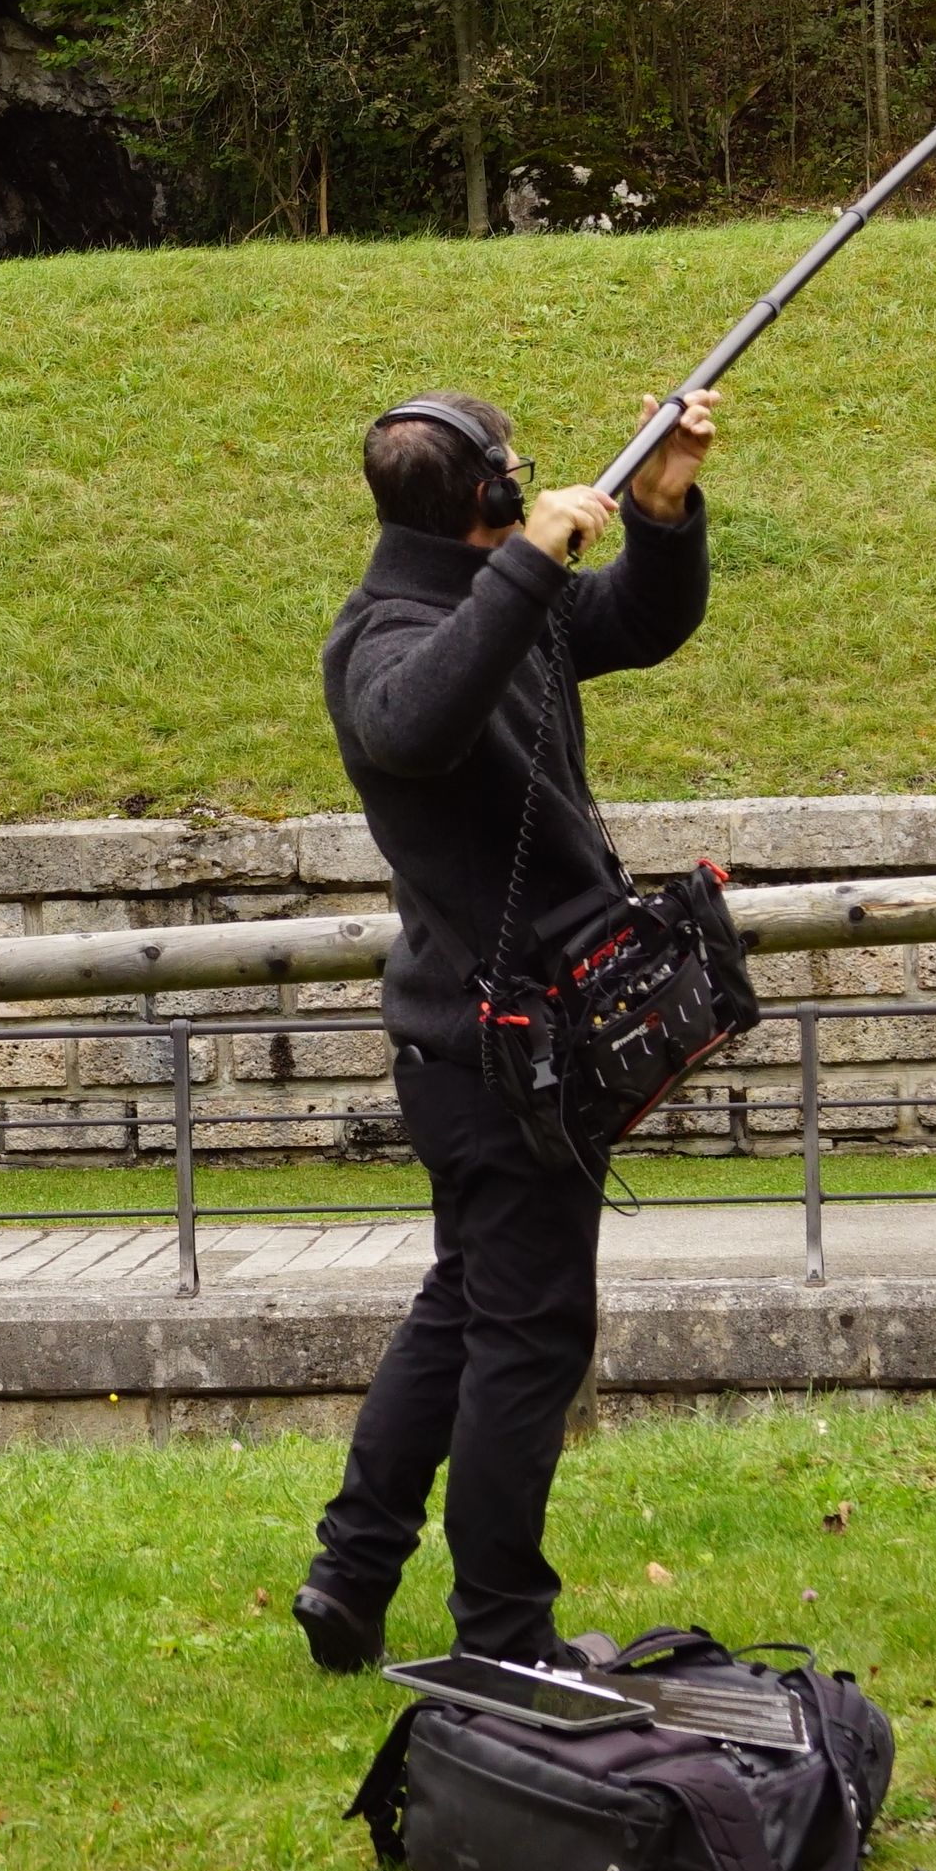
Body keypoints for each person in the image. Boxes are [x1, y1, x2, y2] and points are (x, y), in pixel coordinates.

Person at [293, 383, 722, 1675]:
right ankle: (506, 1635)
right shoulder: (385, 634)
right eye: (516, 477)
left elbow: (644, 621)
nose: (529, 485)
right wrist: (532, 561)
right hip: (495, 1057)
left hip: (505, 1047)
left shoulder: (504, 609)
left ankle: (352, 1573)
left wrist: (662, 509)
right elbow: (415, 719)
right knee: (531, 1335)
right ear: (484, 499)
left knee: (469, 1302)